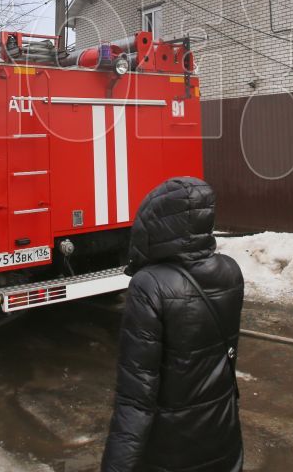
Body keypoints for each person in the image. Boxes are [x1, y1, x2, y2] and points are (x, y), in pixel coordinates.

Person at [102, 176, 244, 472]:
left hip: (171, 453)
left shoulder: (149, 286)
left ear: (156, 225)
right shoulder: (231, 271)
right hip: (224, 441)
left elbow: (135, 400)